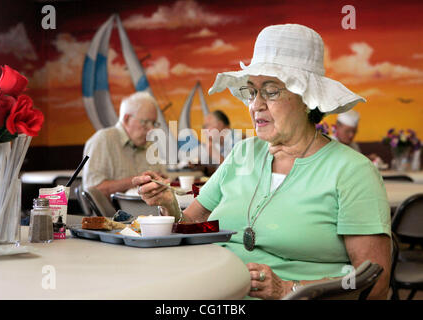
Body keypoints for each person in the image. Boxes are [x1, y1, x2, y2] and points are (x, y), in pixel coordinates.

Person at [132, 24, 391, 300]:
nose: (255, 105)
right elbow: (189, 228)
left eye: (271, 91)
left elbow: (374, 283)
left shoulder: (352, 171)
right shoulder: (243, 153)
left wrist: (289, 289)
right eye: (252, 92)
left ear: (307, 100)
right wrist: (169, 203)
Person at [82, 91, 166, 198]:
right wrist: (137, 180)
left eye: (154, 123)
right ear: (126, 119)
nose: (152, 129)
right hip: (112, 214)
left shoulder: (149, 144)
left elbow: (160, 177)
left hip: (148, 212)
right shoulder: (103, 140)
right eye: (145, 122)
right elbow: (93, 191)